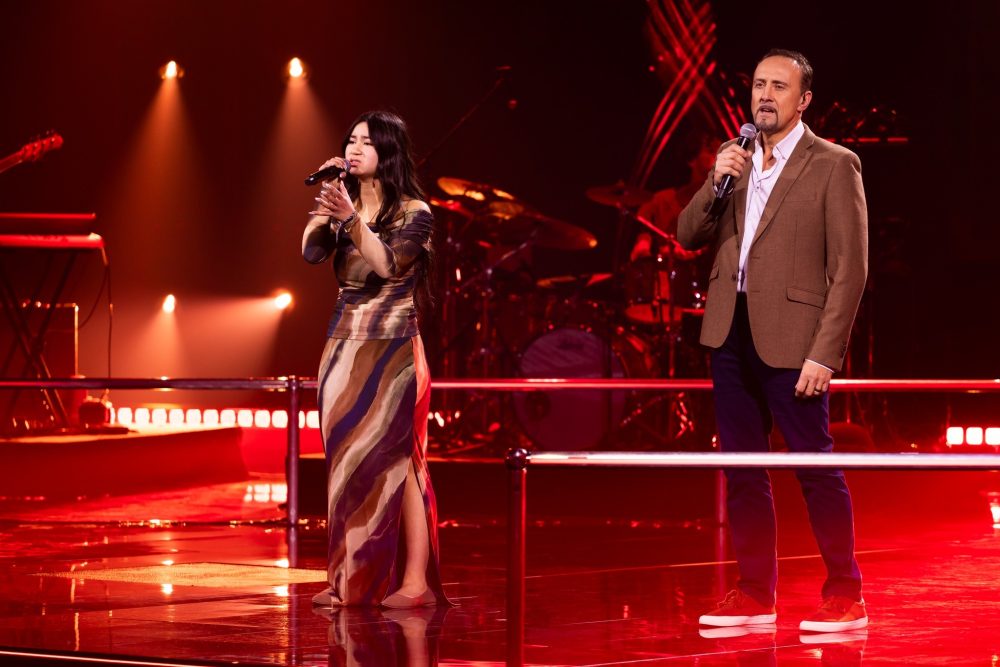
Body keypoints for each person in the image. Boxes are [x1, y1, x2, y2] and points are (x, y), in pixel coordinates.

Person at [677, 49, 869, 633]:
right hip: (728, 332)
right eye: (759, 84)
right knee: (743, 469)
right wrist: (715, 180)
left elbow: (850, 269)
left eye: (779, 87)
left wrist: (824, 353)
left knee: (814, 467)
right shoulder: (733, 160)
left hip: (794, 340)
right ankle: (756, 594)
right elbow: (687, 234)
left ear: (803, 99)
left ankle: (846, 594)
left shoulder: (834, 164)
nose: (765, 95)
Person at [302, 110, 449, 609]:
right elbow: (310, 253)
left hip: (394, 350)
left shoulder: (415, 211)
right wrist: (328, 202)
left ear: (389, 151)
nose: (355, 147)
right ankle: (348, 580)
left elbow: (387, 264)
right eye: (351, 140)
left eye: (367, 141)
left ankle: (415, 581)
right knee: (345, 463)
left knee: (400, 464)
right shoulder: (342, 204)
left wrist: (351, 219)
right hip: (343, 345)